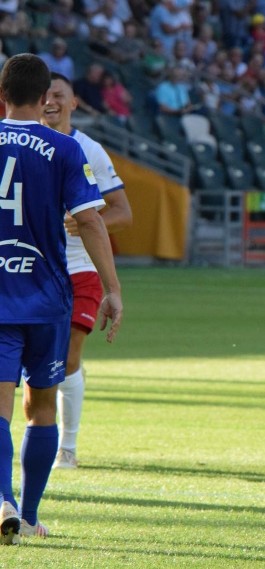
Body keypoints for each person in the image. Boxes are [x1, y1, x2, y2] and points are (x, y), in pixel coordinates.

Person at [0, 53, 122, 543]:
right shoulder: (65, 148)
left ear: (3, 93)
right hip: (48, 294)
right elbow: (92, 219)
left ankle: (1, 498)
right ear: (44, 95)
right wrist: (112, 288)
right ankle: (26, 518)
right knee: (42, 407)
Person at [41, 72, 133, 470]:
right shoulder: (22, 145)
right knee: (38, 365)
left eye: (59, 95)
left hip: (80, 266)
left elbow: (122, 213)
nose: (50, 101)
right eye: (44, 95)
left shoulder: (88, 149)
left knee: (67, 355)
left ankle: (68, 448)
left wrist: (87, 221)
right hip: (33, 268)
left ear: (74, 102)